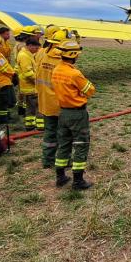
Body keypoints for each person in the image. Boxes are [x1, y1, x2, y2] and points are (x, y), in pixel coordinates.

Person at [53, 39, 96, 190]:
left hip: (63, 112)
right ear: (73, 54)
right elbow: (90, 90)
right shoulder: (74, 73)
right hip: (77, 114)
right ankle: (78, 181)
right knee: (81, 144)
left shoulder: (56, 69)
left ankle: (60, 177)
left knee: (64, 144)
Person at [37, 28, 68, 170]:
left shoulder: (42, 54)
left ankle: (47, 159)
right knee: (63, 133)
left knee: (49, 132)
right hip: (59, 103)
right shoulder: (61, 61)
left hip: (44, 100)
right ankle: (63, 160)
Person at [0, 36, 17, 125]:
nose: (2, 45)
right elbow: (4, 68)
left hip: (5, 80)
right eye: (1, 44)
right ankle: (3, 119)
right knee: (3, 102)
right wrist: (14, 74)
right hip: (2, 82)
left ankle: (6, 116)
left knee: (6, 101)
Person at [16, 38, 41, 131]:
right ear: (29, 46)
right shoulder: (24, 56)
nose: (37, 50)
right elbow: (28, 73)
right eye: (35, 48)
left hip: (27, 86)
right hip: (30, 87)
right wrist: (39, 81)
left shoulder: (26, 54)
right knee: (36, 107)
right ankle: (40, 126)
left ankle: (30, 125)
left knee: (30, 108)